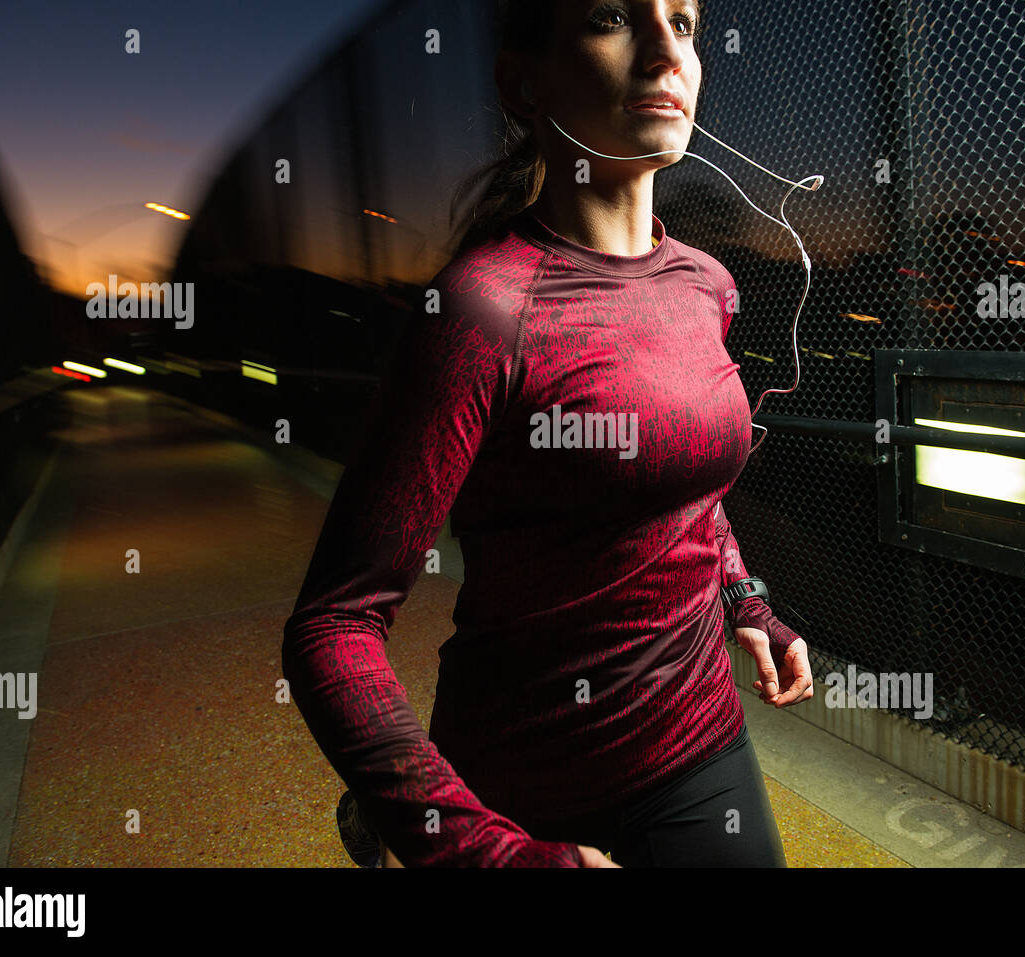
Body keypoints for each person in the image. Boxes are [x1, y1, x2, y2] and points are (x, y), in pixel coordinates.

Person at [281, 0, 814, 868]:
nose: (664, 52)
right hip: (525, 784)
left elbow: (687, 488)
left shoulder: (707, 284)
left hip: (703, 747)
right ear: (523, 82)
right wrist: (482, 852)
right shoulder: (482, 309)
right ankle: (391, 807)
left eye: (683, 22)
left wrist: (746, 598)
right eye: (612, 17)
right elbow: (332, 626)